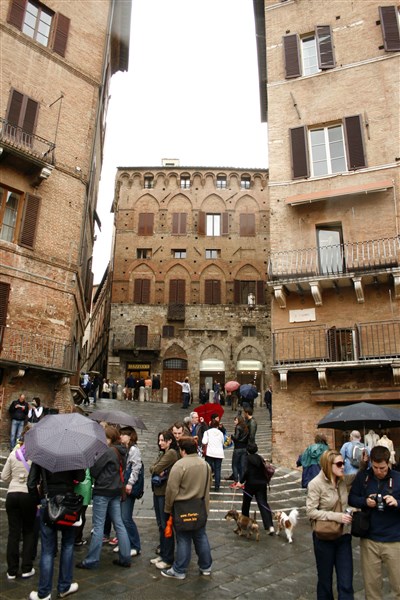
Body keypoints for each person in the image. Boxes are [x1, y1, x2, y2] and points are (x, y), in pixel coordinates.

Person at [76, 426, 132, 570]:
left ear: (110, 438)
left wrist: (94, 457)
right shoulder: (122, 451)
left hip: (103, 490)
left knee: (98, 526)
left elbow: (94, 471)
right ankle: (125, 557)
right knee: (119, 524)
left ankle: (92, 559)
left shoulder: (107, 452)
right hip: (116, 490)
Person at [27, 462, 85, 600]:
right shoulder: (72, 454)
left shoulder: (41, 454)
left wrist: (38, 501)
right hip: (68, 501)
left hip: (48, 500)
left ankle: (44, 593)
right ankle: (64, 586)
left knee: (47, 550)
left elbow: (31, 483)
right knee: (68, 545)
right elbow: (81, 477)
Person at [349, 445, 400, 599]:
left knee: (398, 585)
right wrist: (365, 501)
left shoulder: (398, 478)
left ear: (388, 463)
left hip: (394, 539)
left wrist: (396, 502)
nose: (378, 471)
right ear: (371, 462)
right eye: (375, 467)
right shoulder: (363, 477)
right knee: (371, 587)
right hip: (369, 538)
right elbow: (352, 498)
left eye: (382, 468)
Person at [162, 436, 212, 579]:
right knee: (200, 536)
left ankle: (180, 570)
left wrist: (168, 508)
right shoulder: (205, 465)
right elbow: (208, 486)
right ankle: (206, 566)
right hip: (199, 505)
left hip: (182, 507)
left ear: (183, 450)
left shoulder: (179, 465)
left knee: (183, 538)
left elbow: (171, 489)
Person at [306, 449, 354, 600]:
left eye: (343, 463)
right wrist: (337, 517)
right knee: (325, 582)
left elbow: (358, 475)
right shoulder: (315, 484)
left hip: (343, 536)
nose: (343, 466)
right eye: (339, 464)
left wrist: (365, 462)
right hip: (324, 538)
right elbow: (311, 512)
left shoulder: (342, 481)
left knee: (346, 582)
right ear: (328, 465)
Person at [1, 438, 38, 580]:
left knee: (13, 533)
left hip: (12, 495)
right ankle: (26, 568)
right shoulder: (36, 457)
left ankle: (11, 570)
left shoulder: (13, 454)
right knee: (28, 531)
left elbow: (4, 476)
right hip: (28, 496)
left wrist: (15, 479)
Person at [149, 430, 180, 570]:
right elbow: (153, 467)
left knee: (165, 524)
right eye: (159, 440)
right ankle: (163, 553)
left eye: (163, 440)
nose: (160, 442)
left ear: (170, 441)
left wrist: (156, 469)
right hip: (158, 491)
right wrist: (155, 468)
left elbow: (155, 469)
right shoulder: (163, 453)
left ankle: (168, 557)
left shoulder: (171, 453)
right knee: (161, 525)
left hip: (164, 492)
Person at [235, 442, 275, 535]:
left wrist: (240, 482)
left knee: (246, 504)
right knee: (263, 504)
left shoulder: (247, 459)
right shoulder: (260, 458)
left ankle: (244, 523)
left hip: (250, 484)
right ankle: (270, 526)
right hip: (262, 484)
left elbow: (245, 472)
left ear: (247, 450)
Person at [115, 427, 142, 557]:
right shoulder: (124, 449)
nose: (121, 437)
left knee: (126, 517)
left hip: (128, 486)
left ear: (130, 436)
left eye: (123, 435)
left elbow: (136, 467)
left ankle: (135, 545)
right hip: (122, 485)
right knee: (121, 517)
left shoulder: (134, 450)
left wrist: (130, 483)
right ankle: (124, 543)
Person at [202, 419, 224, 492]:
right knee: (218, 470)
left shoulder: (207, 432)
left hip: (210, 453)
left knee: (208, 469)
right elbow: (222, 442)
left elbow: (204, 441)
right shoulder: (220, 433)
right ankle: (217, 486)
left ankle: (207, 484)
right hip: (219, 453)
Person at [230, 415, 249, 486]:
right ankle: (241, 481)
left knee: (234, 465)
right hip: (244, 448)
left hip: (238, 448)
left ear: (239, 420)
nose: (234, 421)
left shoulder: (238, 427)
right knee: (242, 465)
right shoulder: (246, 427)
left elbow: (236, 437)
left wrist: (232, 436)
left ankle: (236, 480)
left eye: (236, 420)